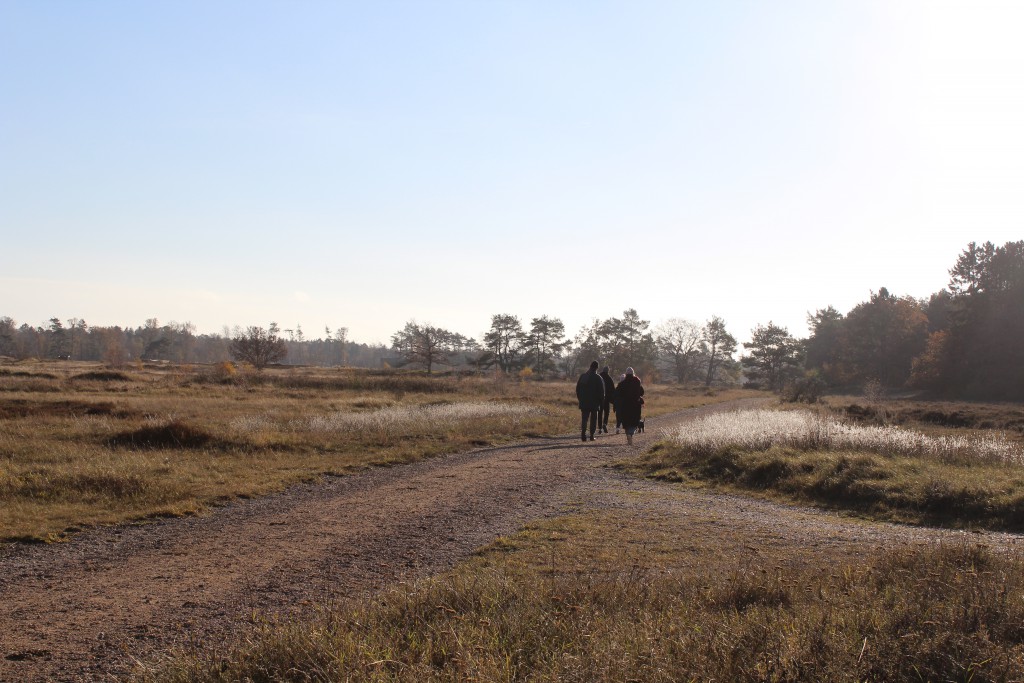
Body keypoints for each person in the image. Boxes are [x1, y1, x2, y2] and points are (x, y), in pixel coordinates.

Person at [575, 360, 605, 442]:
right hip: (594, 403)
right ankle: (591, 435)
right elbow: (602, 392)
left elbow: (577, 389)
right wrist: (601, 402)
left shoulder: (583, 376)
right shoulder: (598, 378)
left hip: (584, 402)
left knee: (584, 419)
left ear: (590, 366)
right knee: (593, 420)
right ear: (597, 368)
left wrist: (580, 399)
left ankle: (583, 435)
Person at [615, 366, 645, 445]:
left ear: (626, 373)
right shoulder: (637, 381)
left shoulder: (622, 383)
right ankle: (631, 434)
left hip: (625, 406)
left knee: (626, 421)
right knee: (634, 421)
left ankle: (628, 433)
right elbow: (641, 392)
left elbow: (617, 393)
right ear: (633, 373)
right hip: (635, 405)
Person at [598, 366, 615, 434]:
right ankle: (604, 424)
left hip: (599, 398)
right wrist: (613, 399)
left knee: (599, 413)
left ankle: (599, 428)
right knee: (607, 412)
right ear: (608, 371)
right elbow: (613, 390)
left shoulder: (598, 377)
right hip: (607, 399)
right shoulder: (609, 378)